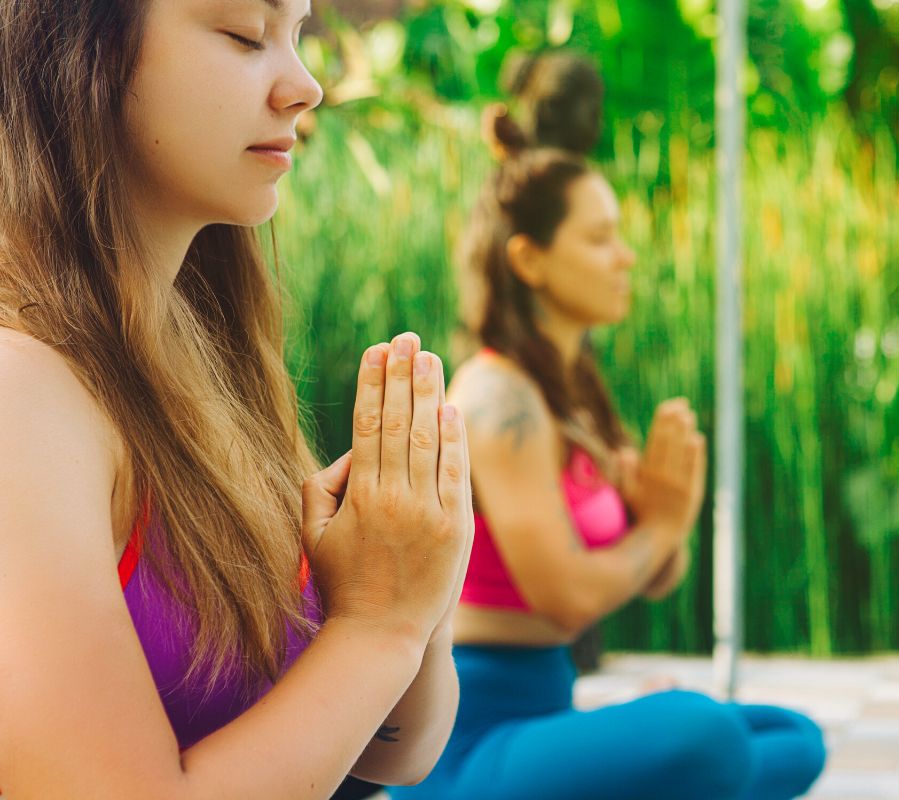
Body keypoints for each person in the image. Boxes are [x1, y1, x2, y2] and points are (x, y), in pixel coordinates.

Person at [0, 1, 471, 797]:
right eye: (246, 36)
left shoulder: (211, 353)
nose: (306, 85)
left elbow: (389, 755)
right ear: (79, 51)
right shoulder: (23, 392)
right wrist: (379, 625)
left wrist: (413, 584)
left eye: (296, 35)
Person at [385, 115, 826, 799]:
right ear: (529, 260)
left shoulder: (574, 395)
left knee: (793, 739)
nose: (625, 257)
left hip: (547, 711)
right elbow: (566, 598)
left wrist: (665, 522)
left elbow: (656, 574)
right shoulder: (499, 397)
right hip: (464, 742)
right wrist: (661, 526)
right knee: (701, 735)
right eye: (599, 238)